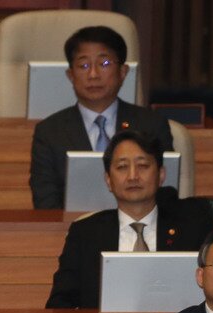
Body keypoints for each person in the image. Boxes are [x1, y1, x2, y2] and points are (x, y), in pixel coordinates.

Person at [45, 130, 213, 309]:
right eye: (122, 167)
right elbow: (59, 304)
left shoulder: (192, 225)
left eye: (143, 166)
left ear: (161, 175)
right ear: (108, 180)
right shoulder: (85, 233)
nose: (133, 176)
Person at [28, 25, 173, 210]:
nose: (93, 75)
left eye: (104, 64)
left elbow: (166, 193)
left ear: (123, 72)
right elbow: (45, 203)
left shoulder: (151, 124)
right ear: (71, 75)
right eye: (84, 65)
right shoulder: (49, 132)